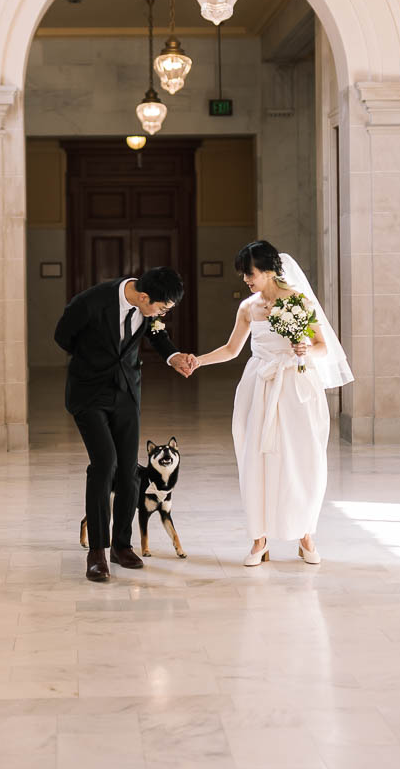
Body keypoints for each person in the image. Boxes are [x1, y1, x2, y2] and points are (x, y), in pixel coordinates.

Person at [185, 241, 352, 566]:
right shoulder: (248, 307)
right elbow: (232, 349)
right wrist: (199, 361)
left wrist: (304, 349)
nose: (245, 279)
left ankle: (305, 536)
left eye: (250, 273)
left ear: (269, 270)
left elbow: (322, 346)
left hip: (296, 387)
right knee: (255, 458)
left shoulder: (298, 301)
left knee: (302, 459)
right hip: (259, 385)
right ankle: (259, 540)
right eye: (243, 274)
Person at [54, 267, 195, 582]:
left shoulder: (147, 308)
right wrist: (94, 360)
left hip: (127, 392)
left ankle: (121, 545)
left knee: (130, 470)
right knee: (105, 464)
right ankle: (97, 552)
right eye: (161, 308)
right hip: (89, 392)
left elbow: (157, 333)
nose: (162, 314)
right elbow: (63, 336)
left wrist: (172, 357)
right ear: (144, 298)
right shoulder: (91, 302)